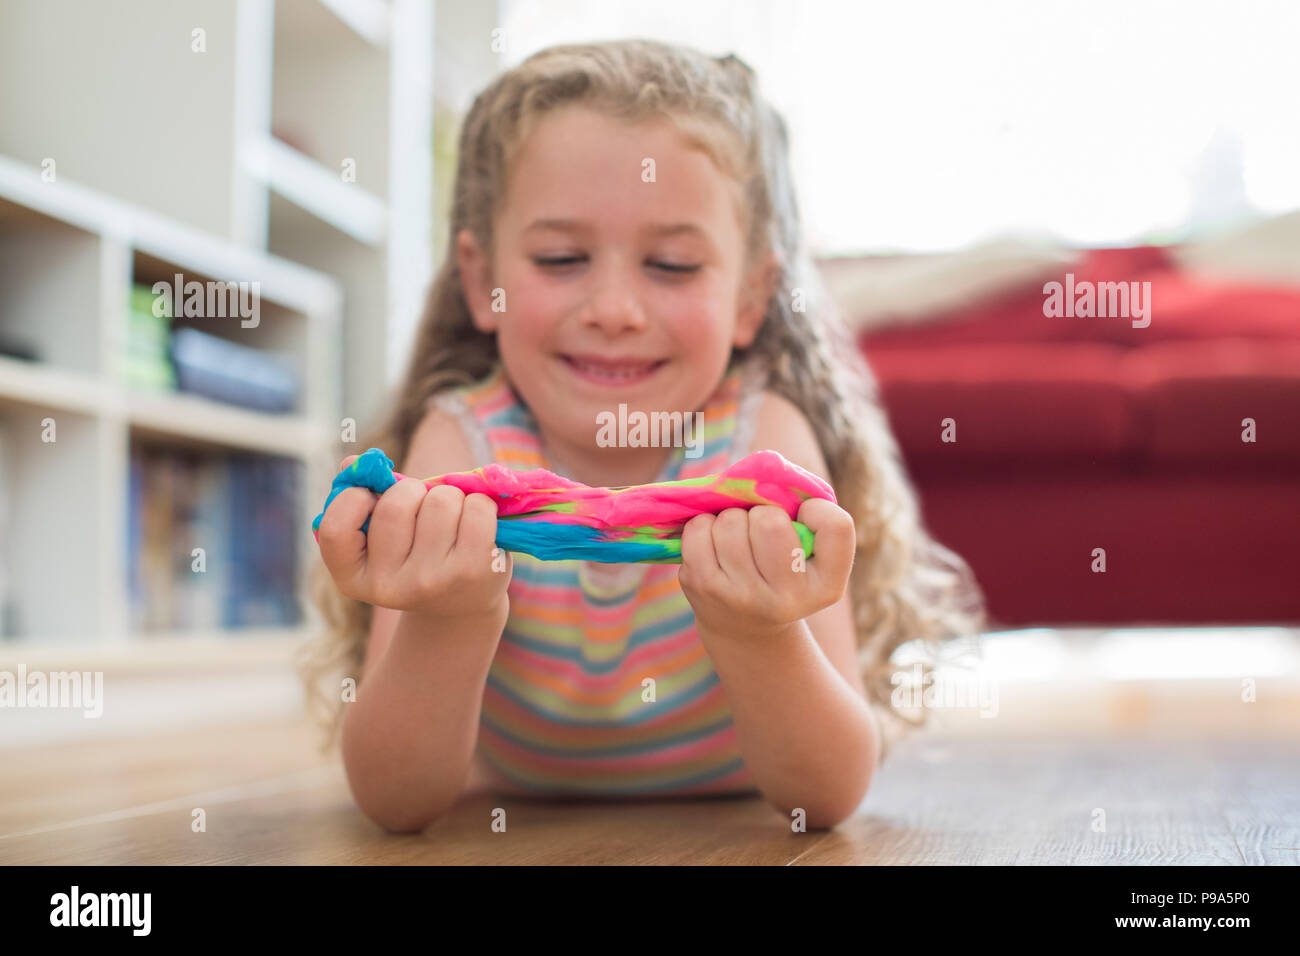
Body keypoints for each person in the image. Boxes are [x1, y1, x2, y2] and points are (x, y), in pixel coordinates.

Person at [303, 39, 984, 833]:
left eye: (670, 265)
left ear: (750, 297)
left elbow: (825, 798)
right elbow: (394, 800)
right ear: (478, 278)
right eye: (561, 259)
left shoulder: (764, 439)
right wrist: (447, 619)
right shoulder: (460, 443)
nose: (615, 308)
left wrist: (756, 631)